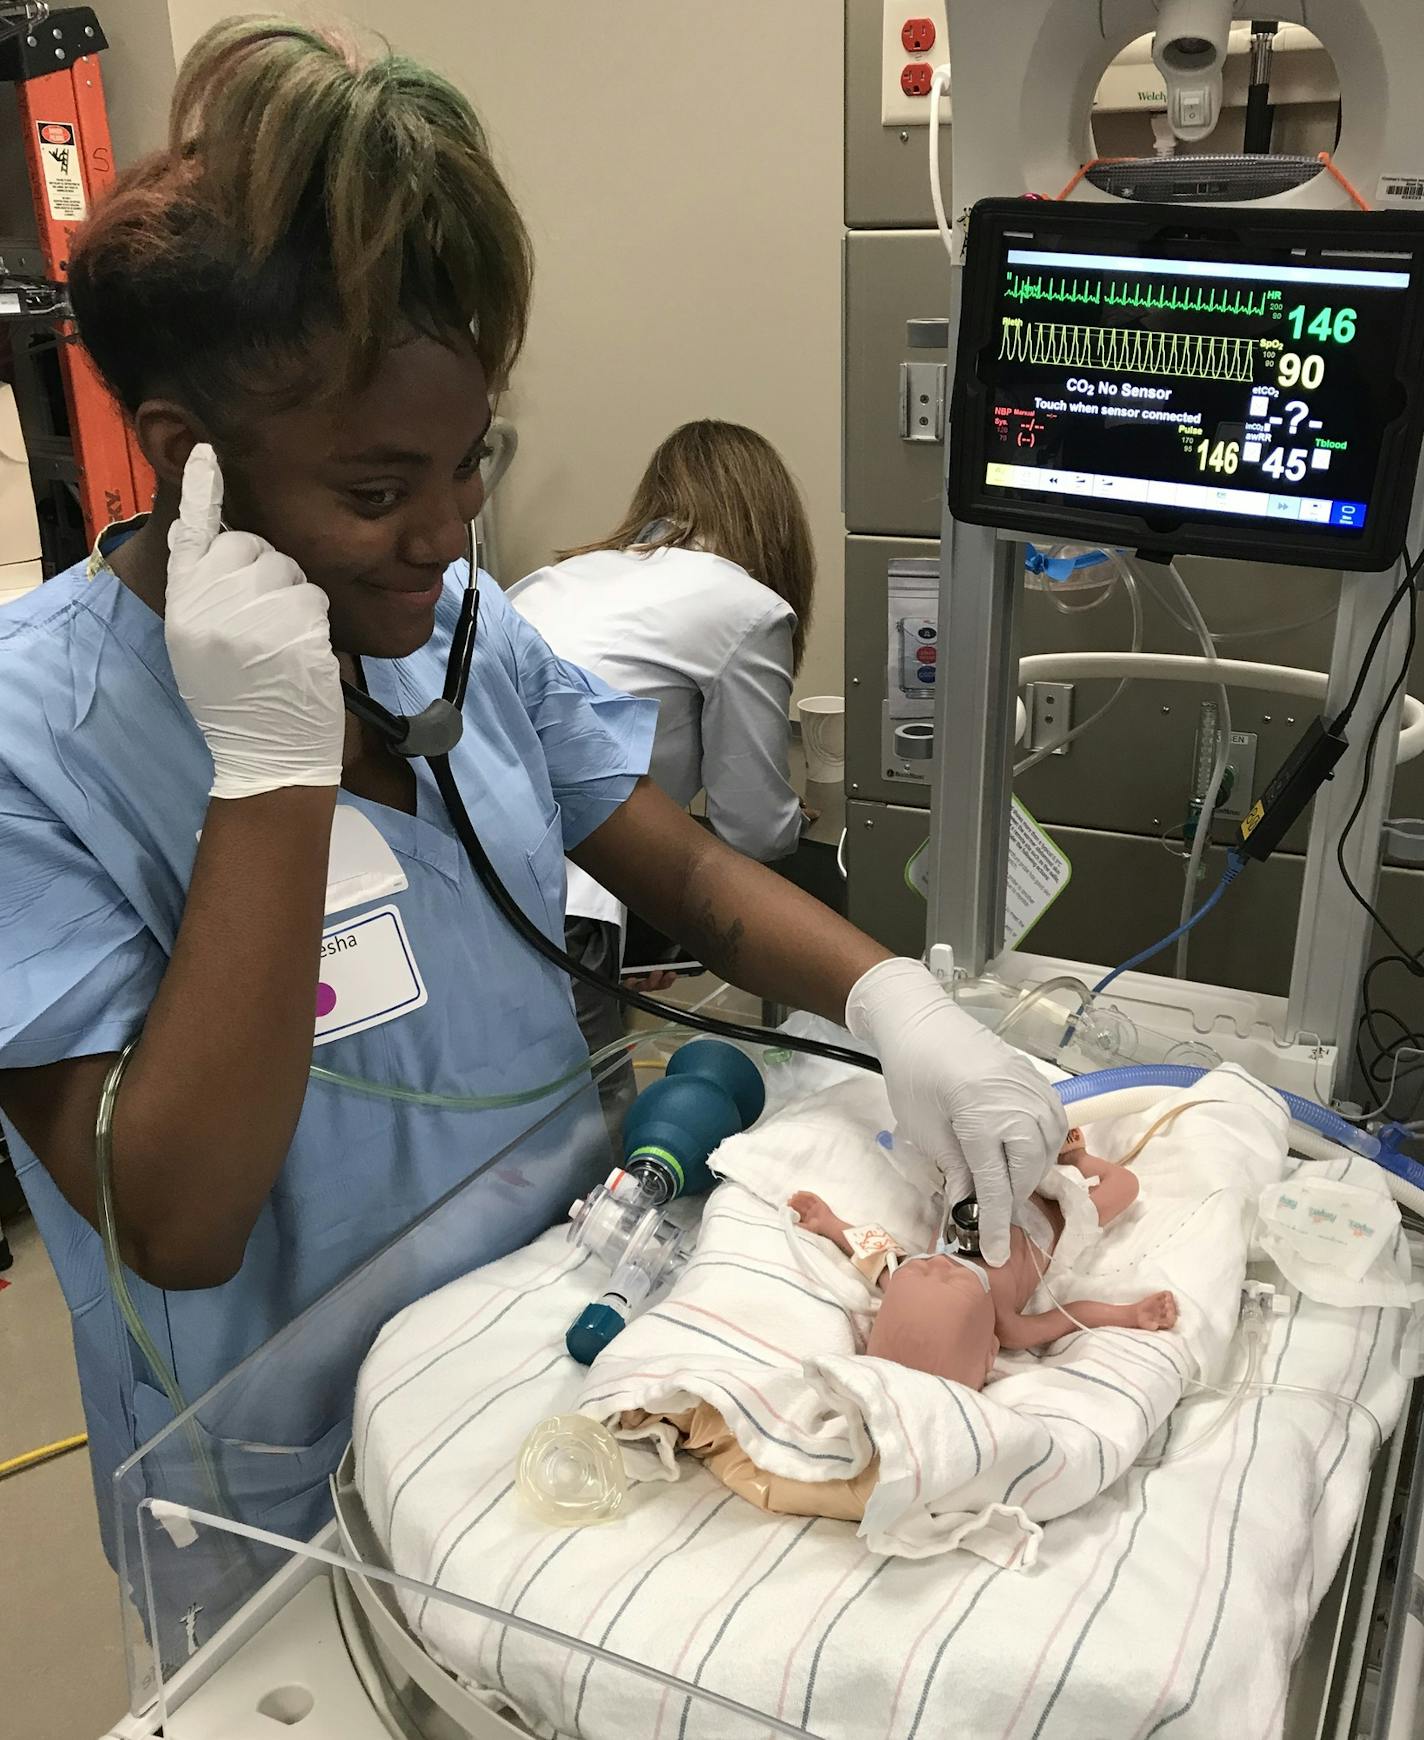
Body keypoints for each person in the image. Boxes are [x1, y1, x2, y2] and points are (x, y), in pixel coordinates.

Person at [0, 16, 1063, 1580]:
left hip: (569, 1360)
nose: (443, 534)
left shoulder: (459, 633)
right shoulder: (37, 741)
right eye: (376, 490)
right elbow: (175, 1220)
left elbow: (690, 881)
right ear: (187, 457)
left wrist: (902, 1003)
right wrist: (275, 775)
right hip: (293, 1490)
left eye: (467, 462)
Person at [509, 420, 815, 1137]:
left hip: (470, 873)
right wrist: (800, 814)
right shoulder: (747, 607)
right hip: (566, 903)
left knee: (510, 1134)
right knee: (584, 1142)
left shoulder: (554, 577)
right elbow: (753, 828)